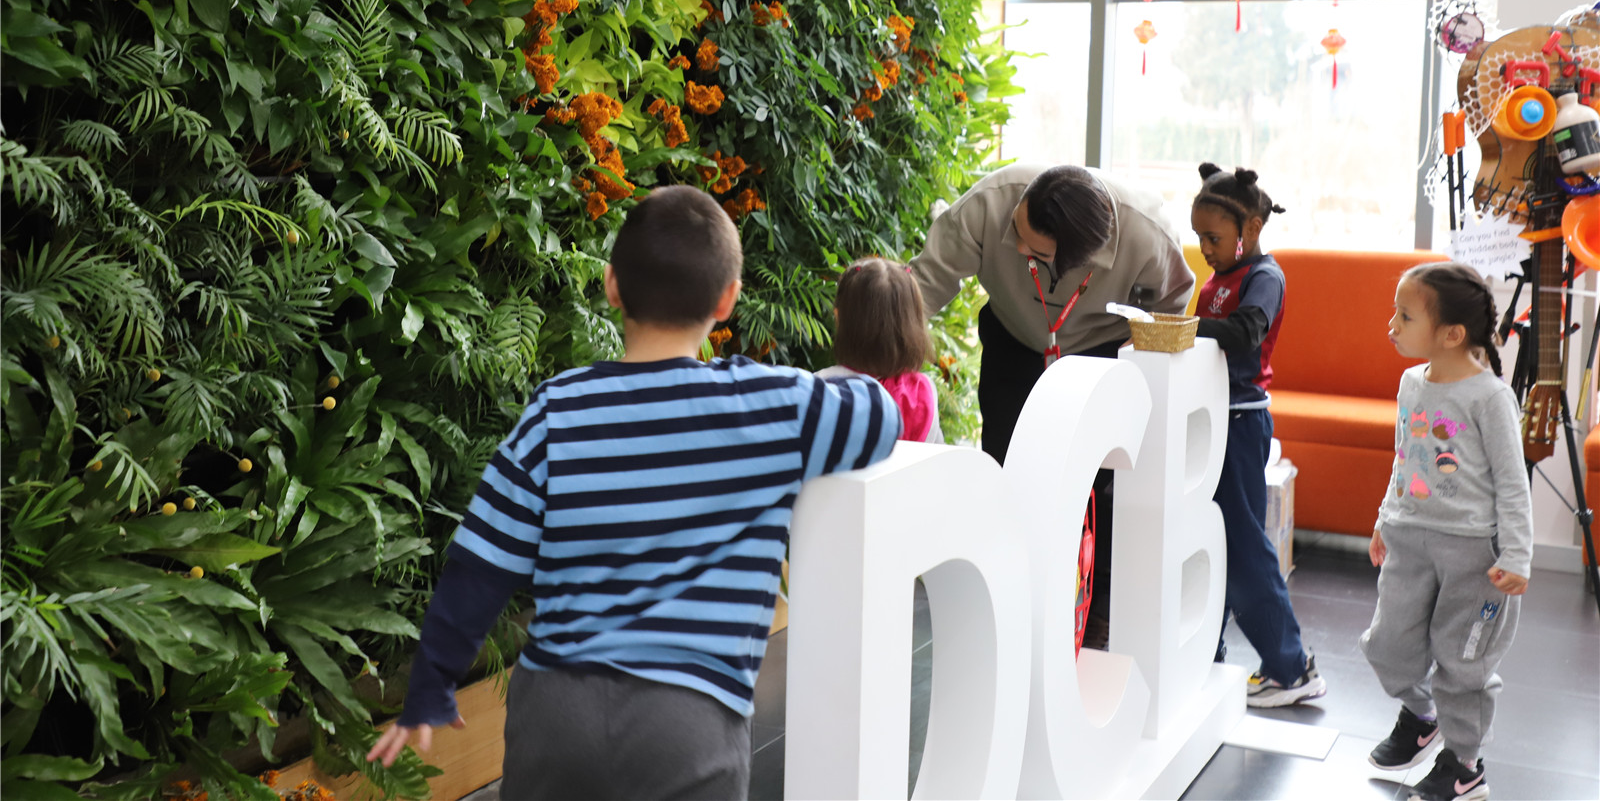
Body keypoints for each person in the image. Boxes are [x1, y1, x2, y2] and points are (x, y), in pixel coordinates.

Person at [365, 186, 902, 799]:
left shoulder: (557, 410)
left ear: (612, 286)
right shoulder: (774, 407)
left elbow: (480, 567)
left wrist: (431, 683)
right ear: (727, 300)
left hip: (555, 711)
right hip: (690, 718)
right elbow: (880, 414)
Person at [1362, 261, 1532, 801]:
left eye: (1404, 316)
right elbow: (1404, 459)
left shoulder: (1489, 398)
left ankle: (1464, 764)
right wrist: (1383, 519)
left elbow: (1513, 483)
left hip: (1474, 556)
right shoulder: (1411, 383)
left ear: (1452, 334)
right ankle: (1421, 715)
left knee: (1464, 662)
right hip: (1410, 539)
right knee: (1388, 645)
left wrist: (1518, 557)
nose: (1391, 324)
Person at [909, 162, 1193, 463]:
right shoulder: (990, 202)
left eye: (1038, 252)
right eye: (1017, 230)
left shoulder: (1148, 234)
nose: (1019, 248)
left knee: (1097, 466)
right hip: (1014, 337)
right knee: (1006, 458)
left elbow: (1169, 304)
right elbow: (927, 280)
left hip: (1100, 351)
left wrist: (1137, 353)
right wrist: (889, 337)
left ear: (1082, 257)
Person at [1189, 163, 1326, 708]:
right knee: (1213, 537)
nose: (1204, 248)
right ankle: (1206, 653)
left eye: (1214, 238)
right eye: (1199, 237)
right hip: (1211, 421)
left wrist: (1184, 329)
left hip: (1241, 422)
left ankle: (1291, 669)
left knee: (1244, 545)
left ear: (1249, 229)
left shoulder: (1263, 276)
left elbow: (1246, 335)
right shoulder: (1219, 278)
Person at [816, 256, 943, 443]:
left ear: (838, 318)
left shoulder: (820, 387)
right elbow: (938, 458)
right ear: (914, 325)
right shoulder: (923, 393)